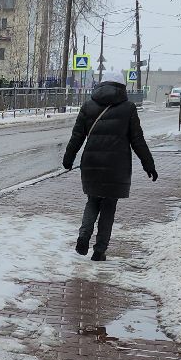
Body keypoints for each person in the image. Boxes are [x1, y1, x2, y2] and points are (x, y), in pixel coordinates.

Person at [60, 80, 157, 261]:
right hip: (117, 166)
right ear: (121, 90)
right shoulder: (128, 108)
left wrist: (68, 158)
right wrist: (148, 165)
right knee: (109, 207)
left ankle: (83, 236)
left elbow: (77, 136)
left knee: (92, 201)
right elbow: (137, 140)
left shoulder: (88, 106)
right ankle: (100, 251)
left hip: (92, 162)